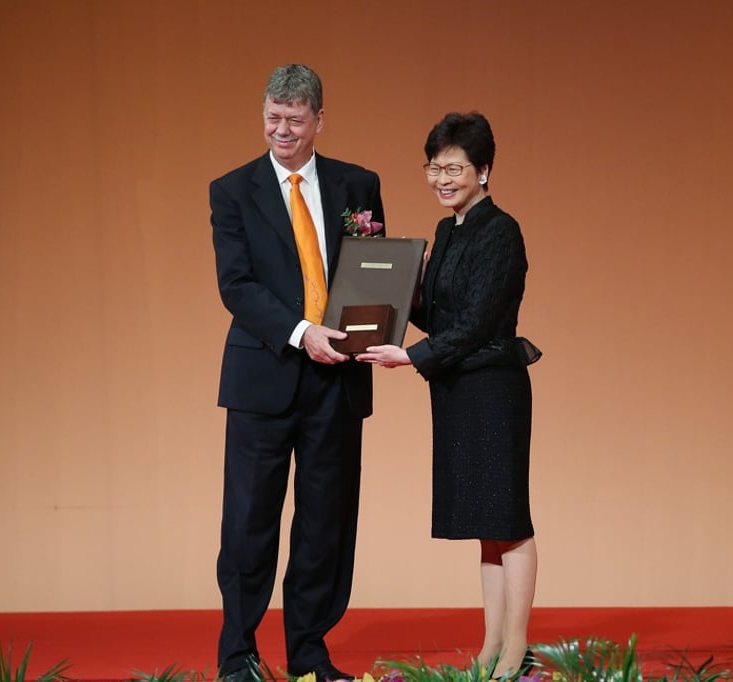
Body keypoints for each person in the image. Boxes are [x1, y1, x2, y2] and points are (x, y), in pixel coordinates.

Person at [210, 63, 385, 682]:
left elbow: (372, 272)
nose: (280, 130)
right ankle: (238, 655)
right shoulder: (232, 190)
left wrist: (370, 331)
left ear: (318, 121)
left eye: (293, 119)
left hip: (336, 380)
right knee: (249, 521)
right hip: (265, 378)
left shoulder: (357, 185)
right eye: (272, 118)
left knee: (324, 524)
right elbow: (236, 286)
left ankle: (310, 653)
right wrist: (300, 332)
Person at [356, 112, 537, 679]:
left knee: (509, 521)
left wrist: (411, 356)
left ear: (483, 170)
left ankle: (516, 647)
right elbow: (435, 313)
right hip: (457, 389)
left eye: (454, 168)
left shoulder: (500, 230)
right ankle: (490, 647)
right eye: (434, 168)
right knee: (486, 529)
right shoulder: (446, 231)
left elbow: (482, 320)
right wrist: (378, 273)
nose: (442, 178)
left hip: (493, 388)